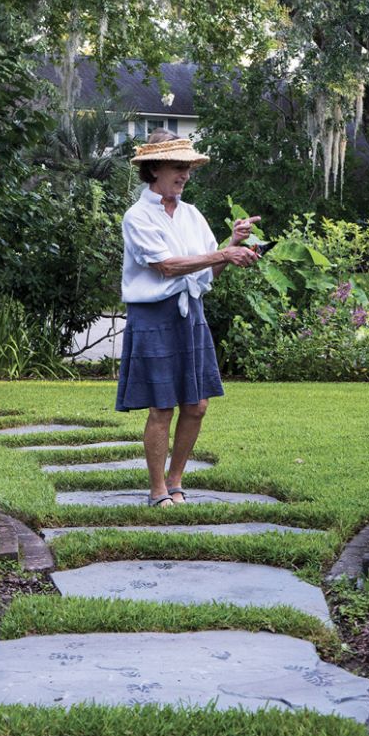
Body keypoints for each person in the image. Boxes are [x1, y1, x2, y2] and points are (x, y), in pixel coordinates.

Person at [116, 129, 260, 507]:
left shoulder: (192, 215)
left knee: (196, 405)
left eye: (189, 168)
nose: (185, 175)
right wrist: (222, 255)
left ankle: (176, 481)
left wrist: (232, 245)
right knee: (162, 406)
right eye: (179, 167)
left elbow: (204, 273)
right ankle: (157, 490)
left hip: (189, 312)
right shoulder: (137, 216)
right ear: (154, 169)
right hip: (154, 316)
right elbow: (165, 267)